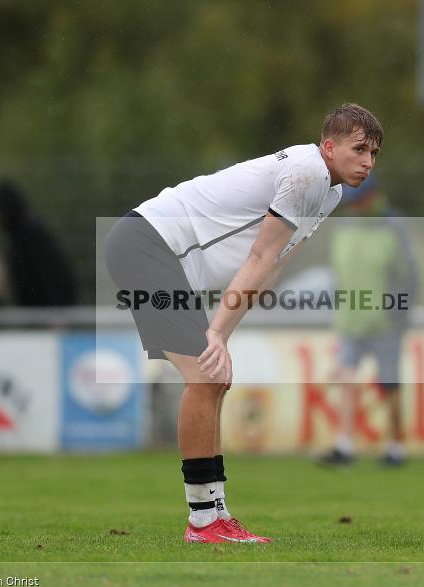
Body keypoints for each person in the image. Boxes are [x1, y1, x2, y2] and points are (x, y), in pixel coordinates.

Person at [104, 103, 382, 544]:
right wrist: (214, 334)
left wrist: (221, 337)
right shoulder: (309, 173)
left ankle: (215, 513)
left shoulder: (328, 190)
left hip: (156, 253)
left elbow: (270, 267)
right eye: (359, 149)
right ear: (329, 147)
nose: (368, 162)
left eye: (374, 153)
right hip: (145, 245)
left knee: (212, 377)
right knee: (204, 377)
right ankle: (203, 521)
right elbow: (259, 256)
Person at [318, 174, 416, 467]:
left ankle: (395, 445)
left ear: (373, 196)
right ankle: (344, 444)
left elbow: (408, 275)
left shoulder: (393, 227)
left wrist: (399, 310)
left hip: (385, 321)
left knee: (389, 382)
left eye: (359, 201)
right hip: (350, 320)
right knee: (346, 378)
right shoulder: (344, 228)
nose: (355, 207)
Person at [0, 181, 78, 306]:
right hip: (39, 309)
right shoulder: (18, 235)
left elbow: (49, 274)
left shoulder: (30, 234)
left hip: (50, 309)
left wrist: (57, 310)